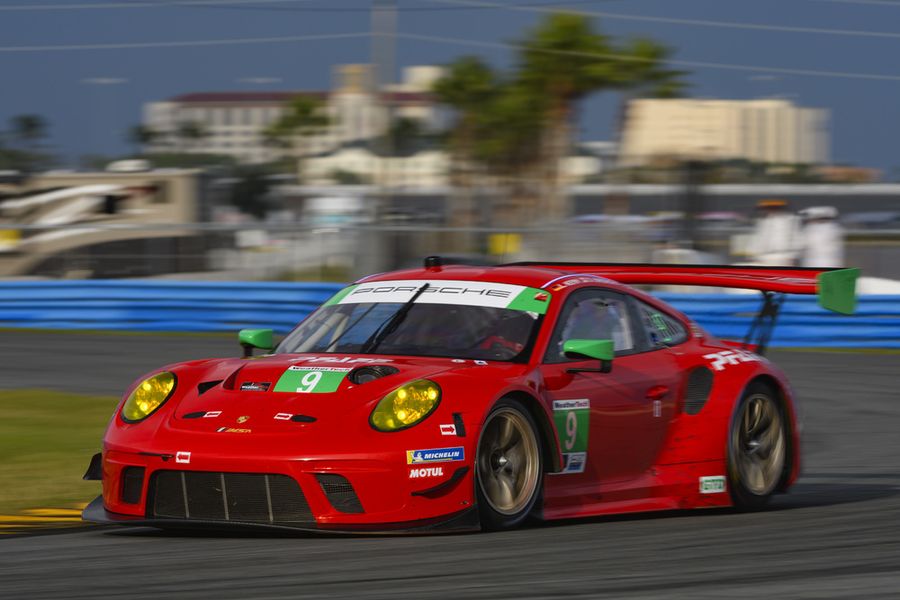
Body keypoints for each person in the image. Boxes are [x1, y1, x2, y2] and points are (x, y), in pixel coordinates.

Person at [746, 199, 803, 266]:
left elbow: (797, 239)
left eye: (769, 208)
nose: (767, 211)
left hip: (784, 256)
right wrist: (752, 256)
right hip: (764, 257)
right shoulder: (763, 221)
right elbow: (757, 239)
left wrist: (793, 256)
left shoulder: (791, 220)